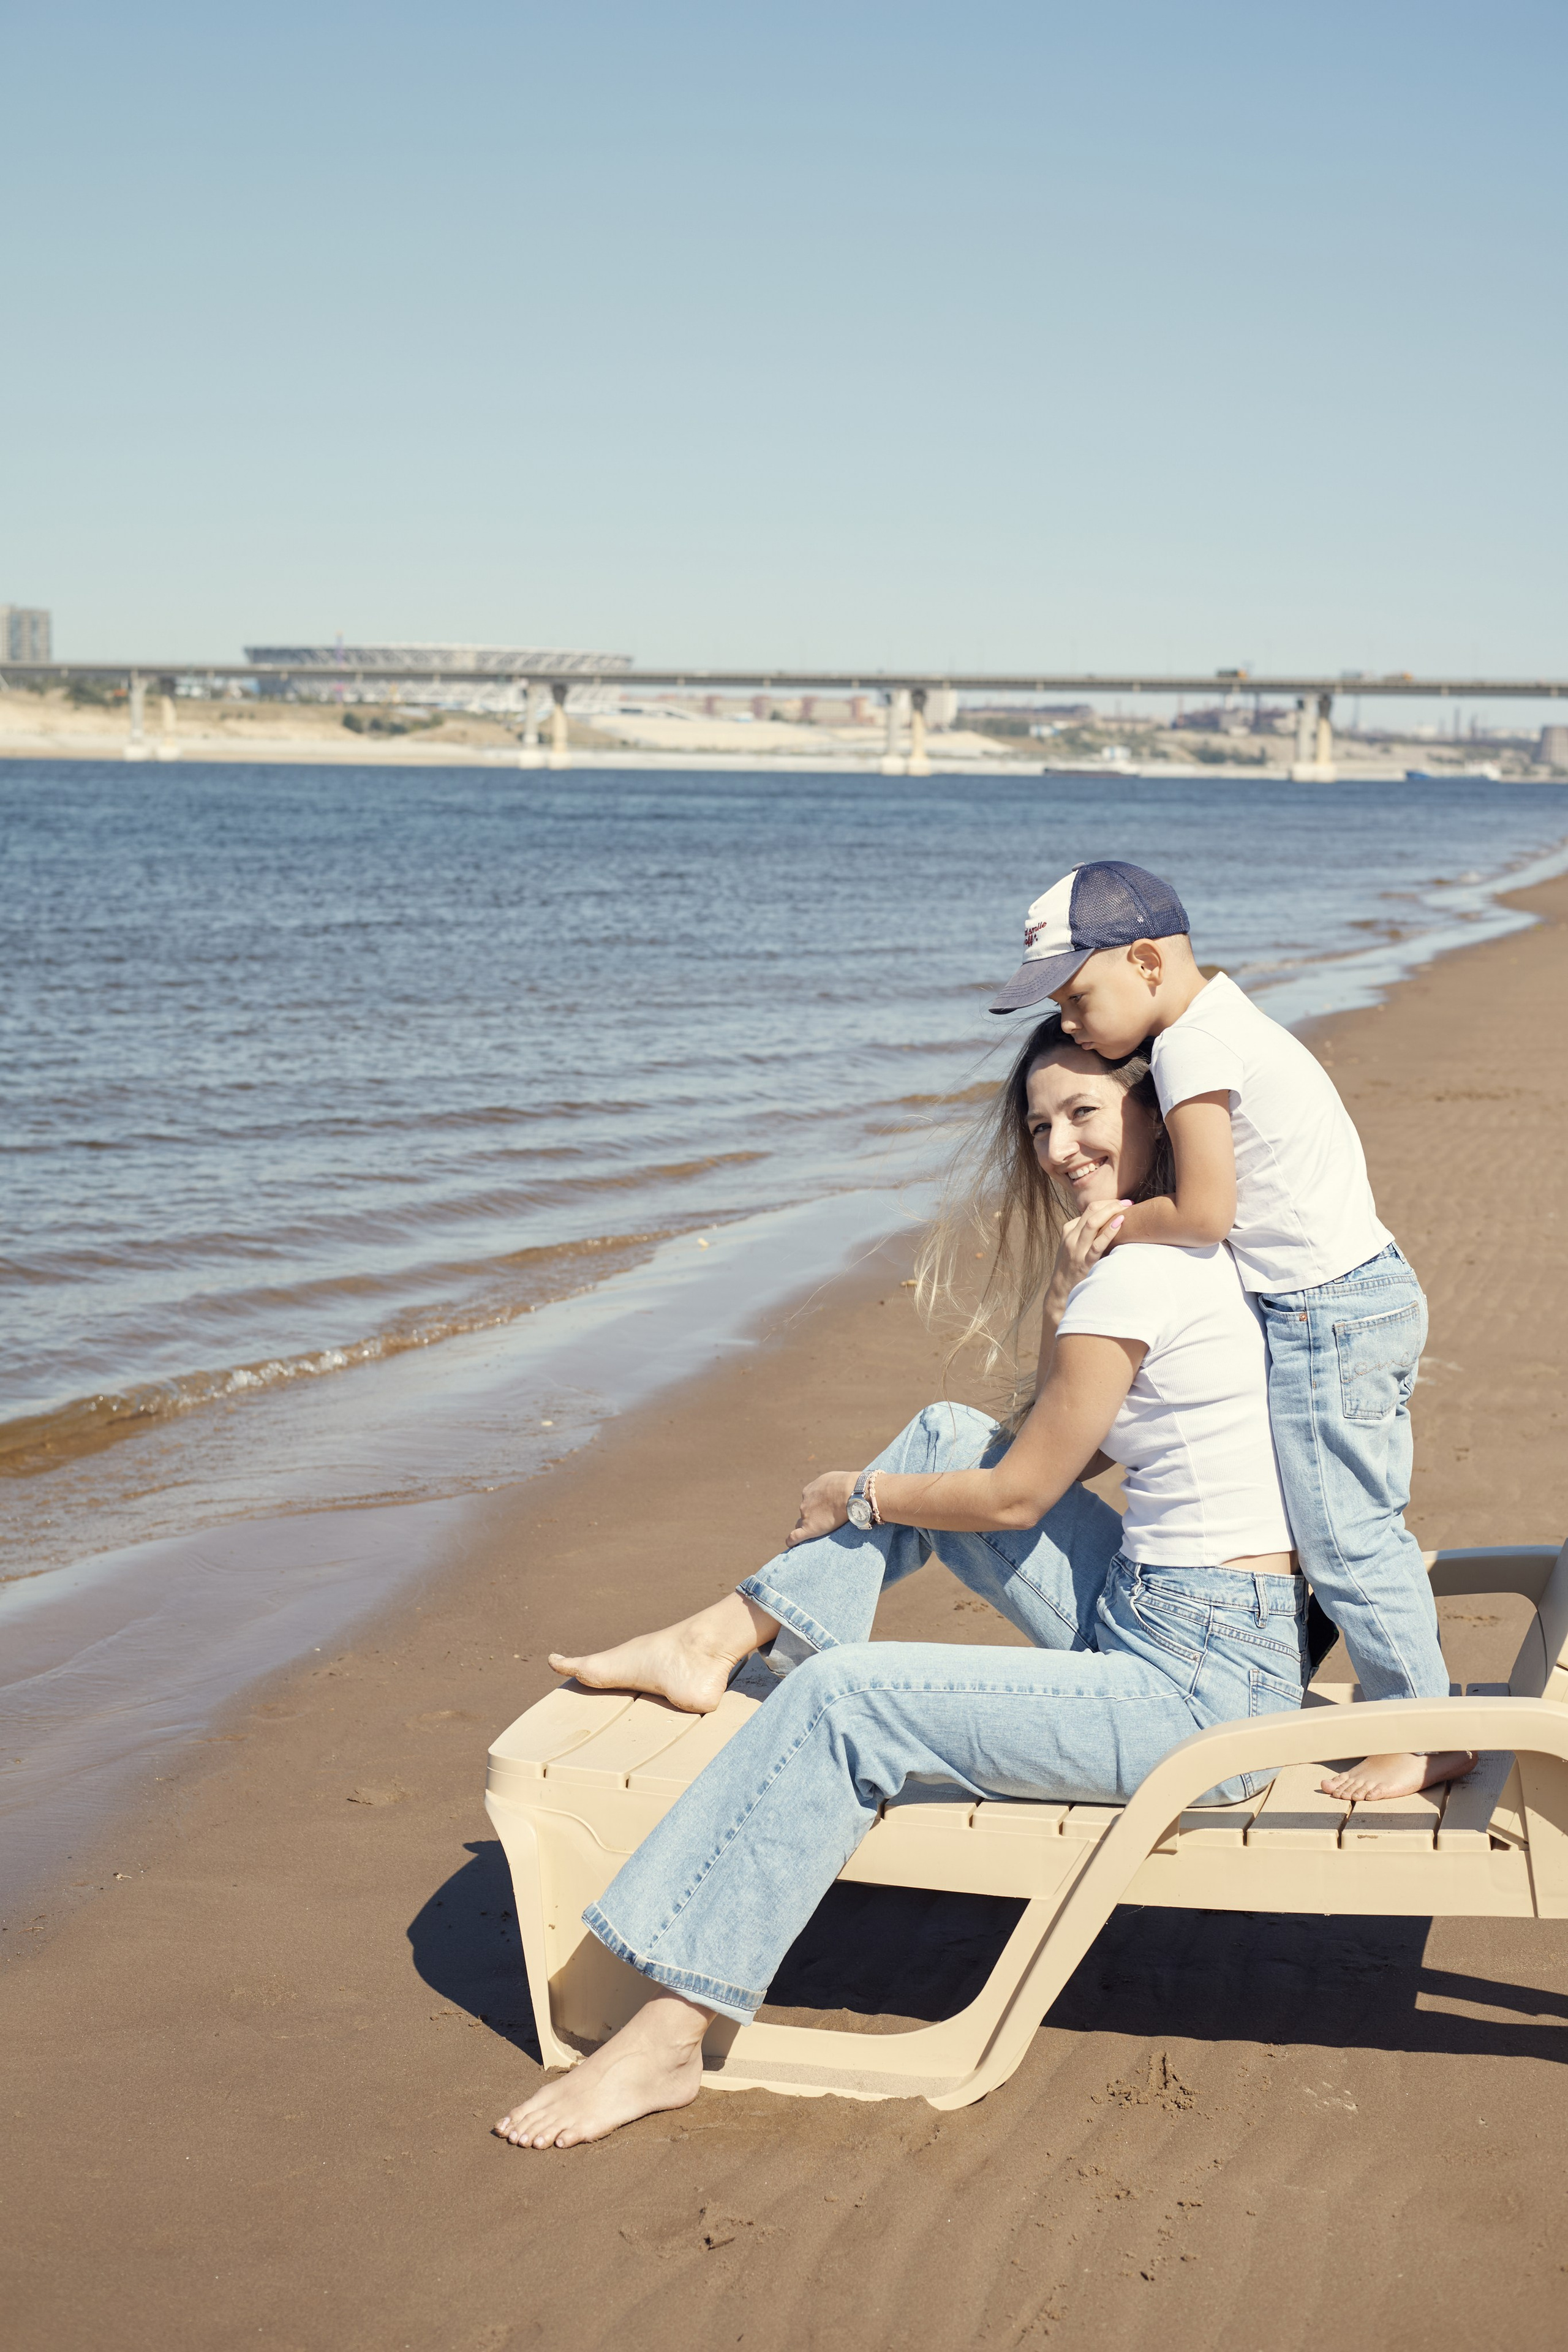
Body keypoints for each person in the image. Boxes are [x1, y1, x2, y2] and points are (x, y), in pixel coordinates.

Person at [494, 1016, 1311, 2150]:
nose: (1060, 1148)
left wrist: (858, 1494)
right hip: (1178, 1617)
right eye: (1039, 1127)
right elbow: (1054, 1440)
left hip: (1201, 1697)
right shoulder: (1156, 1262)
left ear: (1152, 1116)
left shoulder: (1144, 1277)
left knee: (845, 1698)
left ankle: (669, 2035)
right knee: (945, 1433)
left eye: (1084, 1113)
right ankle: (716, 1640)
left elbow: (1021, 1497)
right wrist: (1058, 1298)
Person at [987, 859, 1468, 1806]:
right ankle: (1372, 1693)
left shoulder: (1188, 1051)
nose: (1071, 1024)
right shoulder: (1231, 1021)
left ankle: (1424, 1729)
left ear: (1147, 963)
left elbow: (1205, 1212)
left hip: (1328, 1310)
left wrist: (1122, 1223)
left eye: (1078, 998)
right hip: (1356, 1291)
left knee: (1346, 1533)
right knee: (1342, 1517)